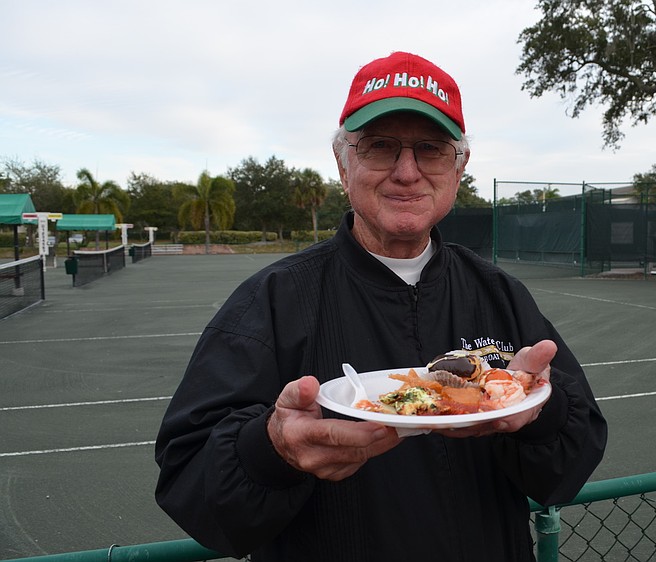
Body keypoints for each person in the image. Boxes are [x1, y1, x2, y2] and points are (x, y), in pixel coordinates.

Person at [155, 51, 607, 562]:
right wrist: (271, 449)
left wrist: (541, 410)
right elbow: (189, 487)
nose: (406, 172)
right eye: (379, 147)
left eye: (431, 149)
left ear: (459, 169)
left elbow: (570, 466)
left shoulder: (500, 294)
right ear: (343, 165)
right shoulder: (273, 301)